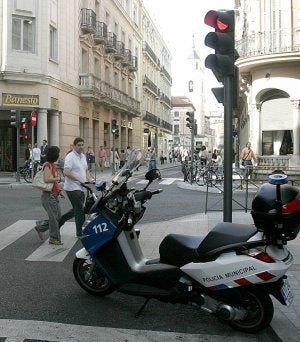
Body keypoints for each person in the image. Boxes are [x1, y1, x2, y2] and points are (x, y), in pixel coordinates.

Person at [63, 137, 94, 238]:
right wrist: (78, 179)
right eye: (79, 145)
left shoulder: (83, 156)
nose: (81, 147)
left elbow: (86, 170)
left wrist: (90, 179)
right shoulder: (70, 157)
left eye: (82, 145)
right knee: (80, 211)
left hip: (82, 187)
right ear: (74, 146)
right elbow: (66, 172)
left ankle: (50, 224)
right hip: (72, 188)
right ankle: (79, 233)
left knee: (75, 210)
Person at [35, 146, 63, 245]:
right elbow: (47, 179)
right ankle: (54, 238)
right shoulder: (47, 165)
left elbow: (53, 182)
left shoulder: (53, 165)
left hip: (54, 195)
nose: (59, 155)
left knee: (57, 217)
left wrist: (59, 190)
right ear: (54, 154)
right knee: (54, 218)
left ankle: (40, 227)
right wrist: (58, 178)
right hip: (48, 195)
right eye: (58, 153)